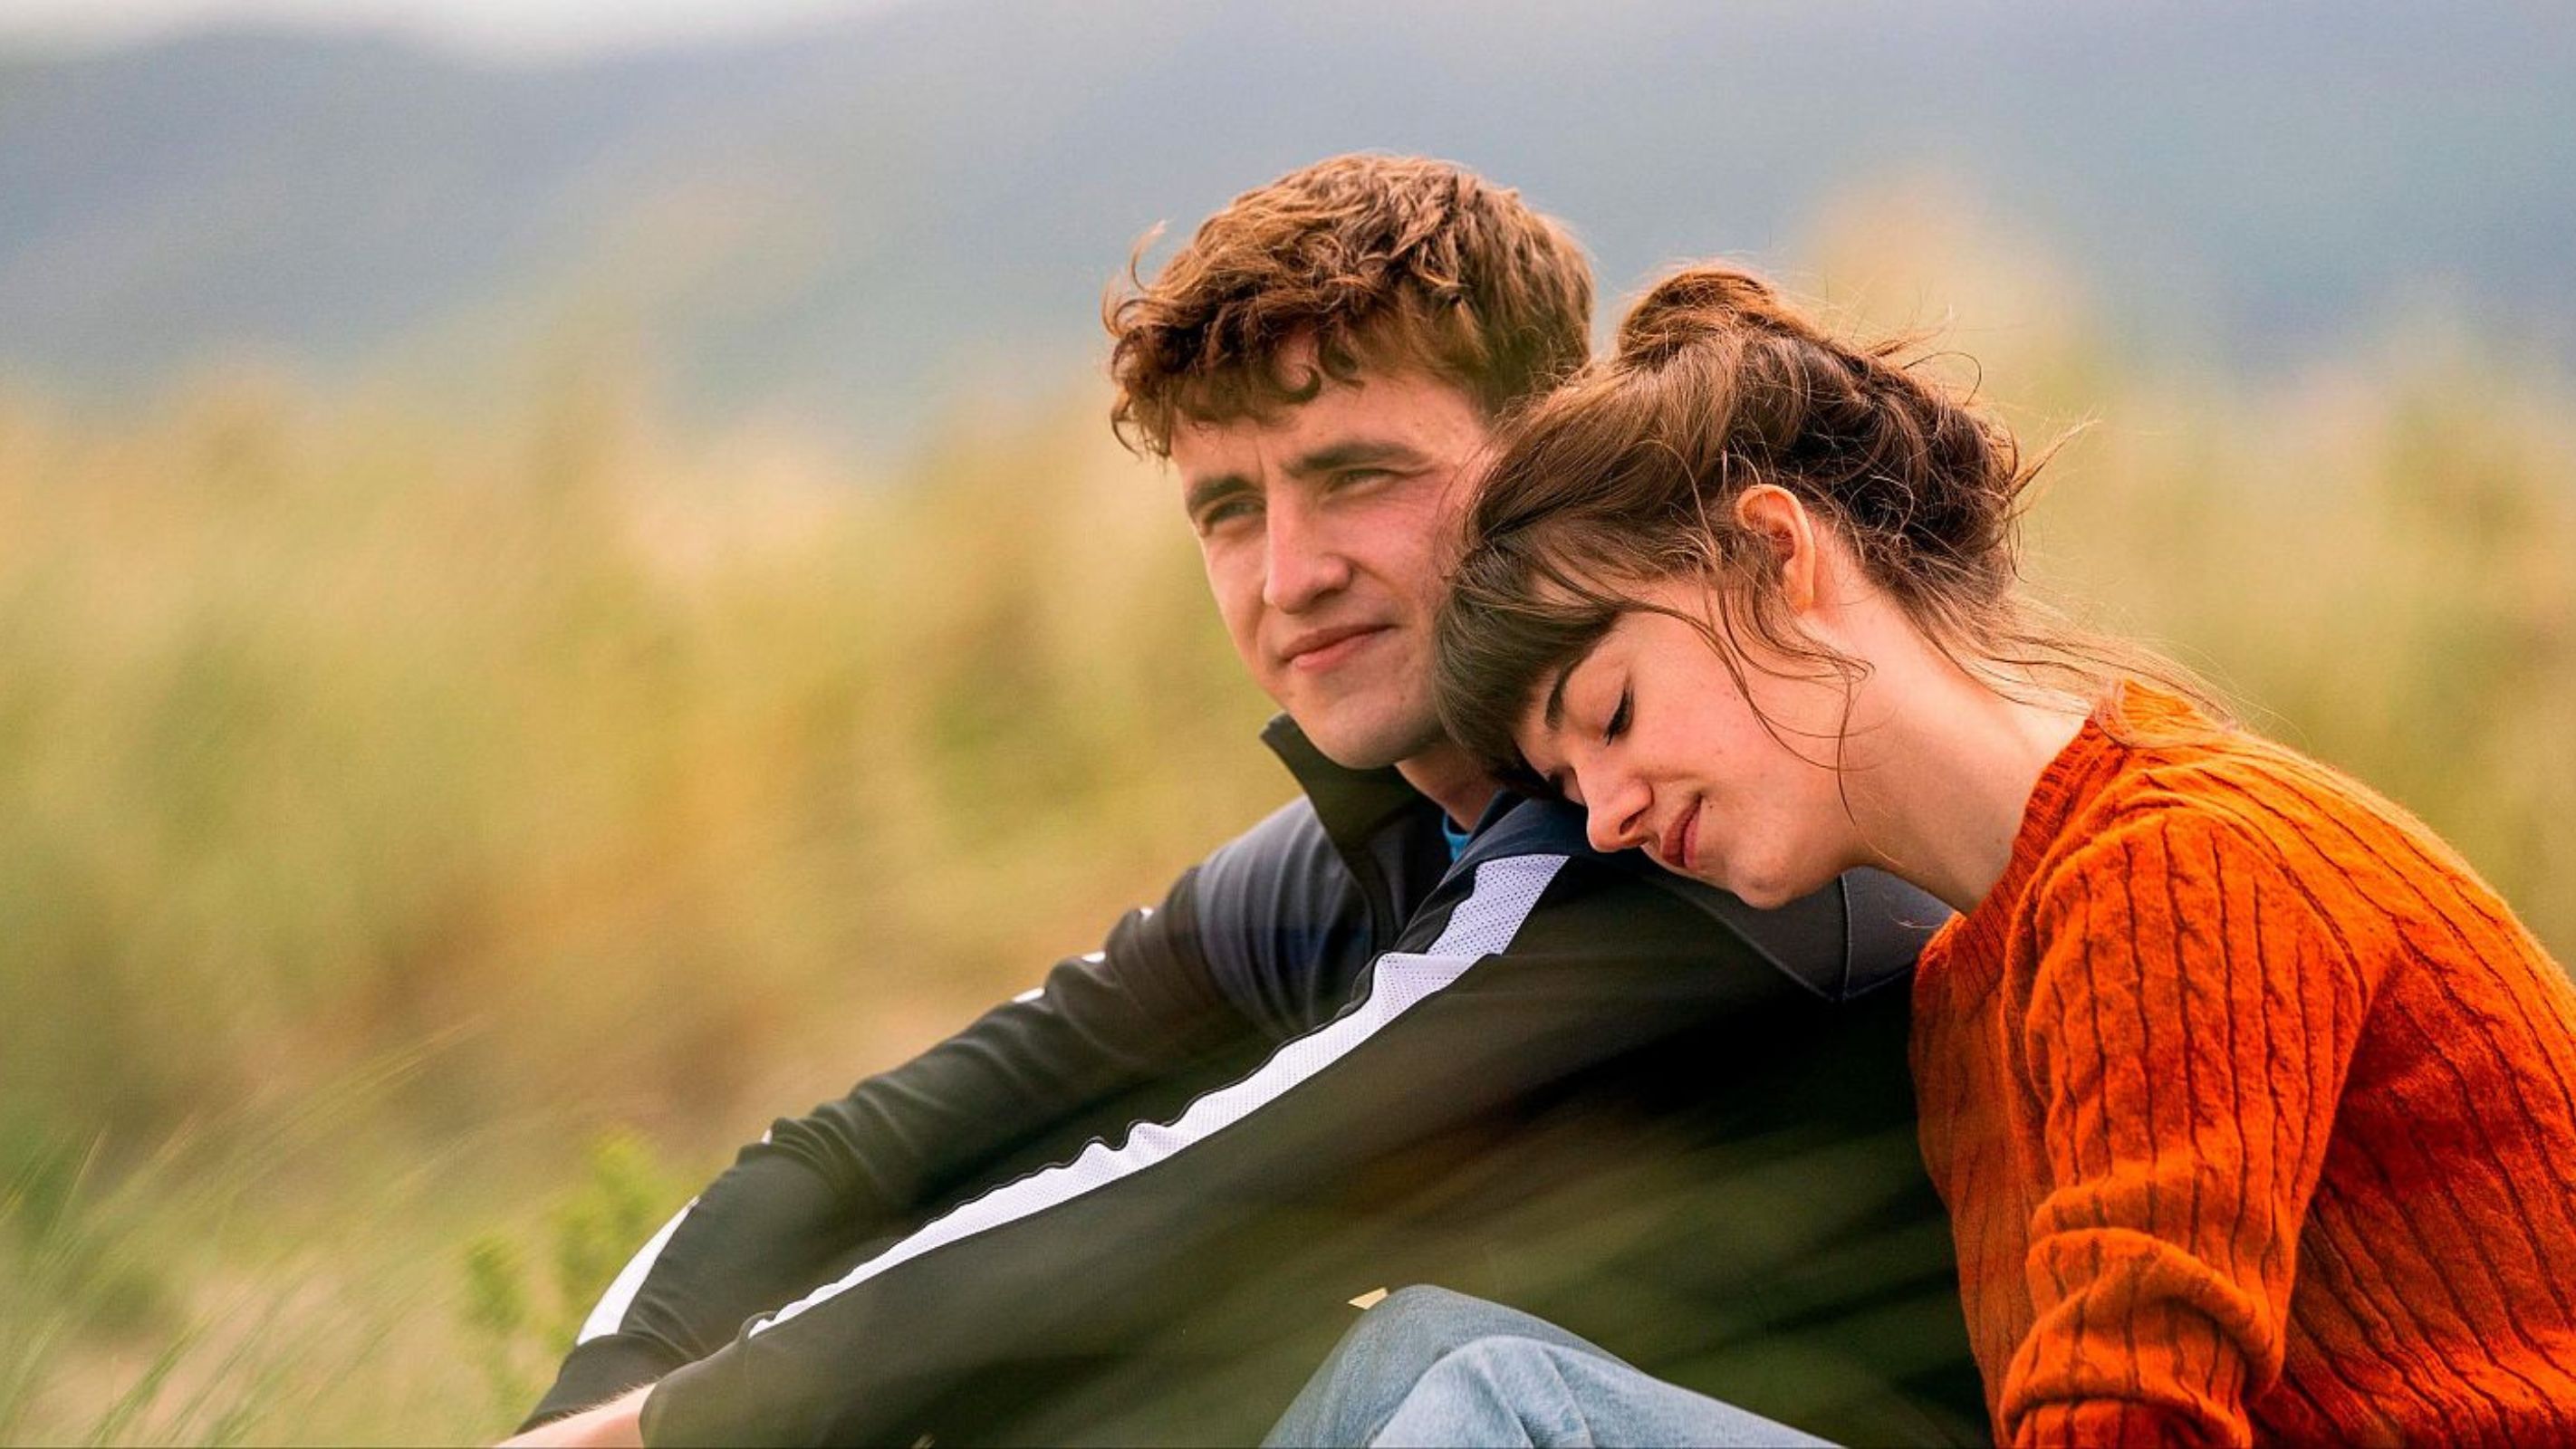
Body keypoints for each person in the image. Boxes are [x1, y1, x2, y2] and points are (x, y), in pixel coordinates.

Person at [504, 163, 1986, 1447]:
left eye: (1360, 477)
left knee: (1400, 1365)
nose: (1289, 576)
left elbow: (1178, 1209)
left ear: (1541, 453)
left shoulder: (1677, 846)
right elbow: (862, 1159)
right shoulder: (1365, 850)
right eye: (1228, 509)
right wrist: (590, 1411)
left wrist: (668, 1434)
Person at [1396, 261, 2576, 1444]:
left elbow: (2130, 1421)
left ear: (1776, 555)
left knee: (1492, 1401)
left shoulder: (2178, 867)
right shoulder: (1968, 1000)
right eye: (1567, 787)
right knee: (1433, 1353)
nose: (1606, 817)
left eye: (1610, 715)